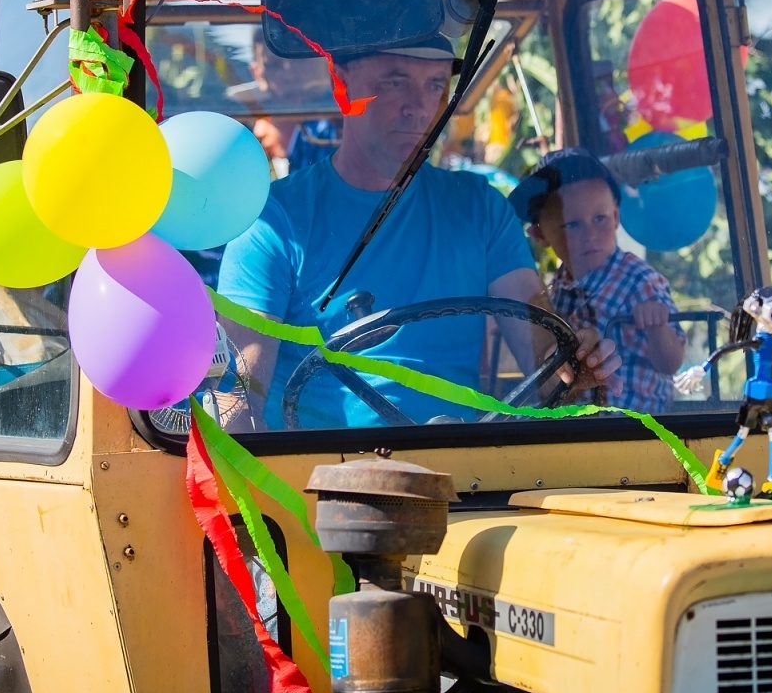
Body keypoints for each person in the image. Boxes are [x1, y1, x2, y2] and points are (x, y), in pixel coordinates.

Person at [217, 34, 618, 430]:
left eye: (435, 85)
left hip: (463, 474)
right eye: (395, 81)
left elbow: (542, 356)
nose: (419, 107)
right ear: (342, 84)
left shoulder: (480, 209)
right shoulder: (273, 221)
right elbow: (237, 395)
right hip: (316, 478)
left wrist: (572, 363)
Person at [508, 149, 685, 413]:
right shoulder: (552, 294)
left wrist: (657, 326)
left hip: (641, 429)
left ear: (615, 216)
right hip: (581, 428)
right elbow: (545, 378)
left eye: (599, 219)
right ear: (539, 234)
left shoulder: (640, 280)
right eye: (572, 225)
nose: (590, 234)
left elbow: (671, 364)